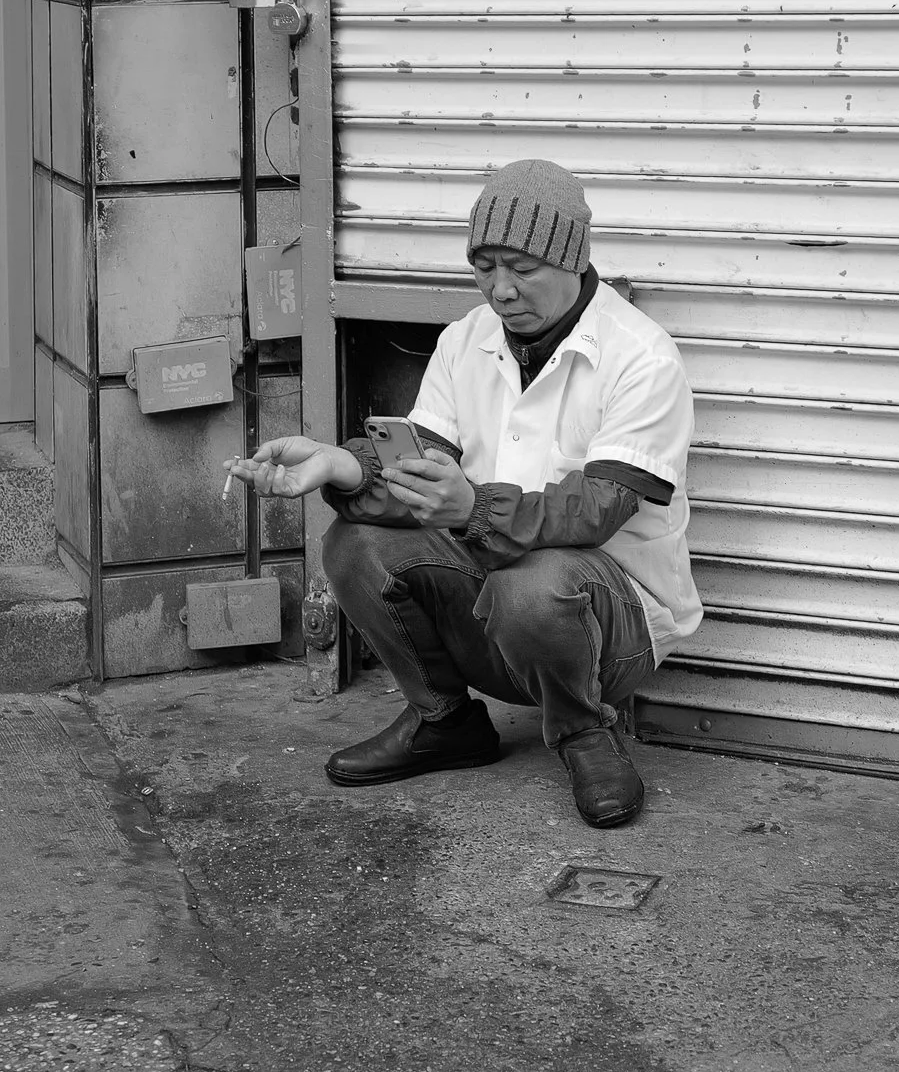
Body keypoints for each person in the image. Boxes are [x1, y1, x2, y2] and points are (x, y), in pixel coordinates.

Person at [230, 159, 702, 827]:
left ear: (573, 257)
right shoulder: (465, 340)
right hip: (495, 612)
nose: (501, 290)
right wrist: (343, 467)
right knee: (354, 541)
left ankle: (584, 733)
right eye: (483, 266)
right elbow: (422, 469)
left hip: (609, 627)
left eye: (522, 267)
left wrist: (473, 508)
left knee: (533, 582)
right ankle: (443, 719)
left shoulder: (642, 357)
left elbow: (597, 510)